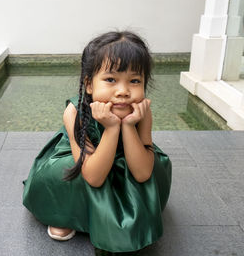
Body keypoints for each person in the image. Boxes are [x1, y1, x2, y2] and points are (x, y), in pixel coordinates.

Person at [22, 31, 172, 253]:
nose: (123, 91)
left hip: (130, 159)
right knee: (64, 176)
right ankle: (64, 213)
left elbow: (141, 172)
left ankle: (95, 213)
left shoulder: (142, 111)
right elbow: (93, 176)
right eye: (110, 79)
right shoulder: (75, 112)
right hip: (85, 161)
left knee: (151, 171)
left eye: (134, 81)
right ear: (89, 84)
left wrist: (129, 125)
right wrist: (111, 128)